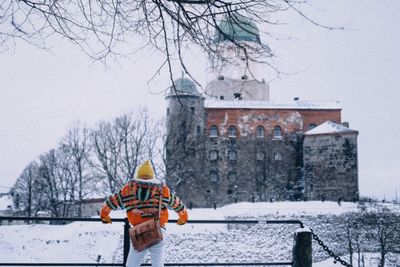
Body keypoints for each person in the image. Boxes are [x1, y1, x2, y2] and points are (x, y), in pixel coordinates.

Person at [100, 160, 188, 267]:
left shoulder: (127, 190)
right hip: (158, 230)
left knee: (131, 265)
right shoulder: (163, 190)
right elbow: (178, 205)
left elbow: (111, 202)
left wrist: (104, 215)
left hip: (139, 232)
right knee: (158, 264)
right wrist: (183, 217)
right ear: (152, 177)